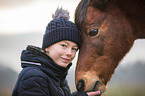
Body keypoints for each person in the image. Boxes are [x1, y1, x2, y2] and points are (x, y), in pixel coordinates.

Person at [11, 8, 102, 96]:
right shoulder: (34, 76)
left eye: (74, 49)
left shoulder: (58, 76)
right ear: (47, 47)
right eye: (64, 46)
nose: (69, 53)